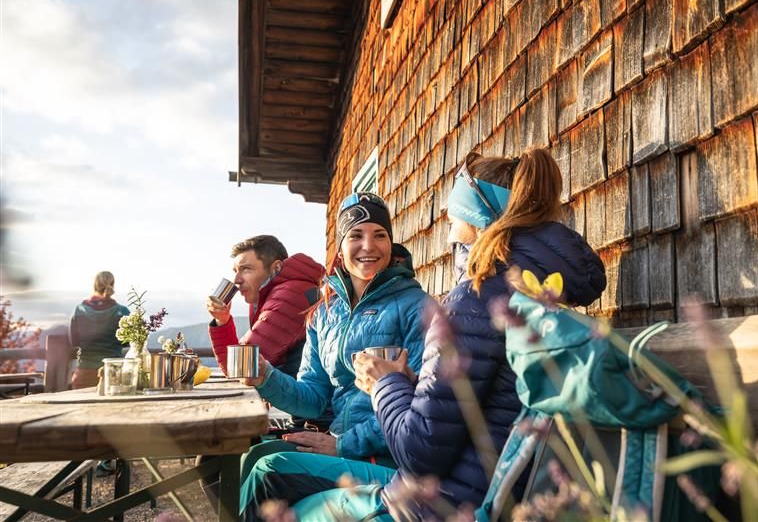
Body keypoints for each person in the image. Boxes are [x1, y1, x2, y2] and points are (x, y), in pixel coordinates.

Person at [278, 148, 607, 520]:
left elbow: (420, 452)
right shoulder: (541, 289)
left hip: (440, 503)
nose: (449, 234)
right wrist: (410, 382)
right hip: (493, 490)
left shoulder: (474, 298)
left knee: (278, 489)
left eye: (454, 221)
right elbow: (479, 403)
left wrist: (384, 385)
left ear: (478, 222)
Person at [239, 192, 431, 519]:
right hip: (341, 446)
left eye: (379, 235)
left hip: (386, 454)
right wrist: (265, 377)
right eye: (356, 235)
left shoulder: (416, 307)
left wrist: (342, 445)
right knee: (253, 456)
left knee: (268, 469)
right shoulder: (324, 313)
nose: (368, 246)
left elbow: (419, 406)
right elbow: (314, 397)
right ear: (340, 247)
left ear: (391, 242)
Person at [206, 235, 324, 380]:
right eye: (235, 271)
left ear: (276, 268)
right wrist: (222, 319)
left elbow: (241, 368)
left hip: (298, 399)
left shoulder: (289, 296)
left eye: (246, 269)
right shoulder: (278, 293)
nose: (237, 280)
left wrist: (222, 322)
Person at [69, 271, 130, 389]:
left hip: (85, 371)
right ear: (113, 285)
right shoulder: (123, 312)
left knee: (81, 407)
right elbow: (127, 341)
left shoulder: (79, 310)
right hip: (113, 370)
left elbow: (74, 342)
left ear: (94, 285)